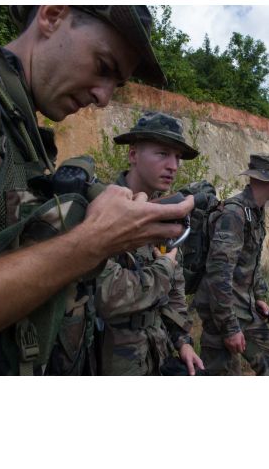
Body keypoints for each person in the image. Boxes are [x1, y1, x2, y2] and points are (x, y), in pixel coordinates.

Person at [0, 5, 194, 375]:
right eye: (103, 66)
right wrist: (90, 243)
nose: (104, 97)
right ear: (52, 14)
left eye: (117, 84)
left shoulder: (21, 134)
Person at [95, 112, 204, 375]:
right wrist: (164, 266)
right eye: (163, 153)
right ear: (133, 155)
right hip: (115, 360)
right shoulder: (103, 209)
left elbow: (175, 290)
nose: (173, 166)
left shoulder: (165, 212)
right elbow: (108, 295)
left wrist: (183, 342)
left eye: (177, 157)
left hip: (158, 350)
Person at [194, 154, 269, 375]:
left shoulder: (254, 211)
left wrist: (258, 295)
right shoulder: (234, 214)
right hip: (222, 314)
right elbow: (218, 274)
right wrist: (229, 328)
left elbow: (250, 260)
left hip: (244, 309)